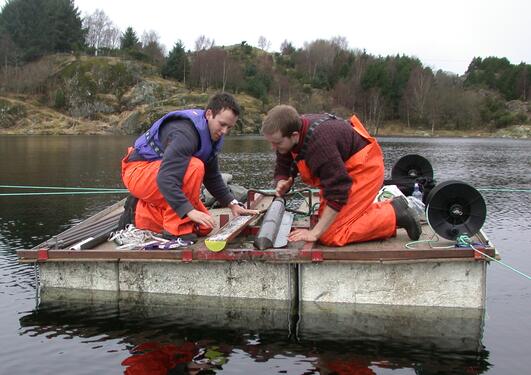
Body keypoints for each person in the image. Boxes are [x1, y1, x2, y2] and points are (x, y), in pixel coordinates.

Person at [261, 105, 421, 247]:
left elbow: (338, 192)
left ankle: (394, 213)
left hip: (364, 168)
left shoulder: (319, 145)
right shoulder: (292, 129)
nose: (273, 147)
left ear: (295, 135)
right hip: (340, 170)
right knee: (325, 221)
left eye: (277, 143)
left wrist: (315, 233)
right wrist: (284, 178)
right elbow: (285, 153)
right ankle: (383, 211)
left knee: (330, 234)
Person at [121, 92, 257, 240]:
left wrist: (233, 204)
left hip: (160, 175)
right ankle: (175, 229)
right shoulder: (185, 134)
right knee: (194, 166)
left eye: (229, 127)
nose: (224, 131)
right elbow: (166, 178)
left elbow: (212, 177)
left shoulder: (212, 135)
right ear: (209, 114)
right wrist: (189, 211)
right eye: (222, 124)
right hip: (138, 171)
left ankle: (139, 213)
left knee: (205, 226)